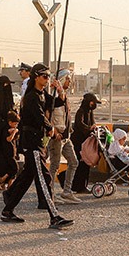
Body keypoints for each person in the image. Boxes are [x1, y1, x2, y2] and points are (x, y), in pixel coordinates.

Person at [0, 64, 72, 228]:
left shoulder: (42, 94)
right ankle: (54, 216)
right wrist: (50, 128)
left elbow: (57, 103)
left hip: (38, 141)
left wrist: (60, 90)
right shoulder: (32, 96)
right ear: (36, 77)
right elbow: (39, 117)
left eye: (48, 77)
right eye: (45, 76)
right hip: (32, 142)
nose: (47, 79)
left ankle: (8, 207)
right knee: (44, 177)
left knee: (27, 177)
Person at [47, 70, 80, 204]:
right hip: (57, 138)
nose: (69, 82)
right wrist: (54, 131)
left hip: (66, 137)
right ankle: (50, 195)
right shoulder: (53, 97)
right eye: (67, 79)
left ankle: (67, 192)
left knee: (74, 162)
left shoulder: (63, 96)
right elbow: (48, 117)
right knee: (54, 166)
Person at [69, 92, 100, 194]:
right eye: (93, 102)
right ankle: (78, 186)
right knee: (80, 165)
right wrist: (89, 128)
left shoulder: (90, 112)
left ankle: (83, 186)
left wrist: (94, 128)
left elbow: (92, 123)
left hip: (86, 143)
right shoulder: (81, 111)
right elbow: (80, 125)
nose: (94, 105)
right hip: (78, 143)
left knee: (86, 164)